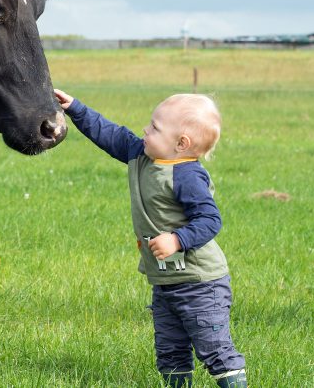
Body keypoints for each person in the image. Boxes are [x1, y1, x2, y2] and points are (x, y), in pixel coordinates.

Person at [54, 89, 247, 388]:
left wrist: (177, 239)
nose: (145, 129)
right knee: (169, 352)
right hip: (165, 282)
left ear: (181, 144)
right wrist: (76, 108)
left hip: (201, 284)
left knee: (215, 350)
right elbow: (111, 134)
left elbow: (210, 220)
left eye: (155, 127)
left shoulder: (187, 176)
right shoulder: (142, 155)